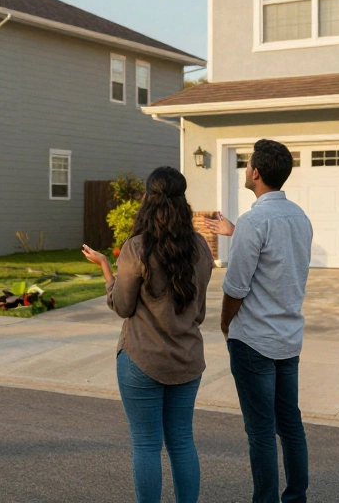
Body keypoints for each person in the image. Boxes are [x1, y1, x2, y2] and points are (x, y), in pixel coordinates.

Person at [83, 166, 215, 503]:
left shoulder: (136, 248)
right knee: (182, 441)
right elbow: (198, 312)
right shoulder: (200, 247)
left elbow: (123, 306)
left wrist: (105, 270)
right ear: (182, 200)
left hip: (141, 360)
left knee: (145, 444)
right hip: (186, 360)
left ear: (148, 199)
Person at [205, 139, 313, 503]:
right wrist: (237, 234)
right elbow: (277, 259)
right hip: (288, 338)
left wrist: (224, 325)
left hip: (253, 342)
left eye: (248, 163)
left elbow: (235, 287)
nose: (246, 169)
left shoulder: (255, 221)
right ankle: (296, 497)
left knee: (262, 432)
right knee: (290, 424)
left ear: (257, 172)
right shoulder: (299, 217)